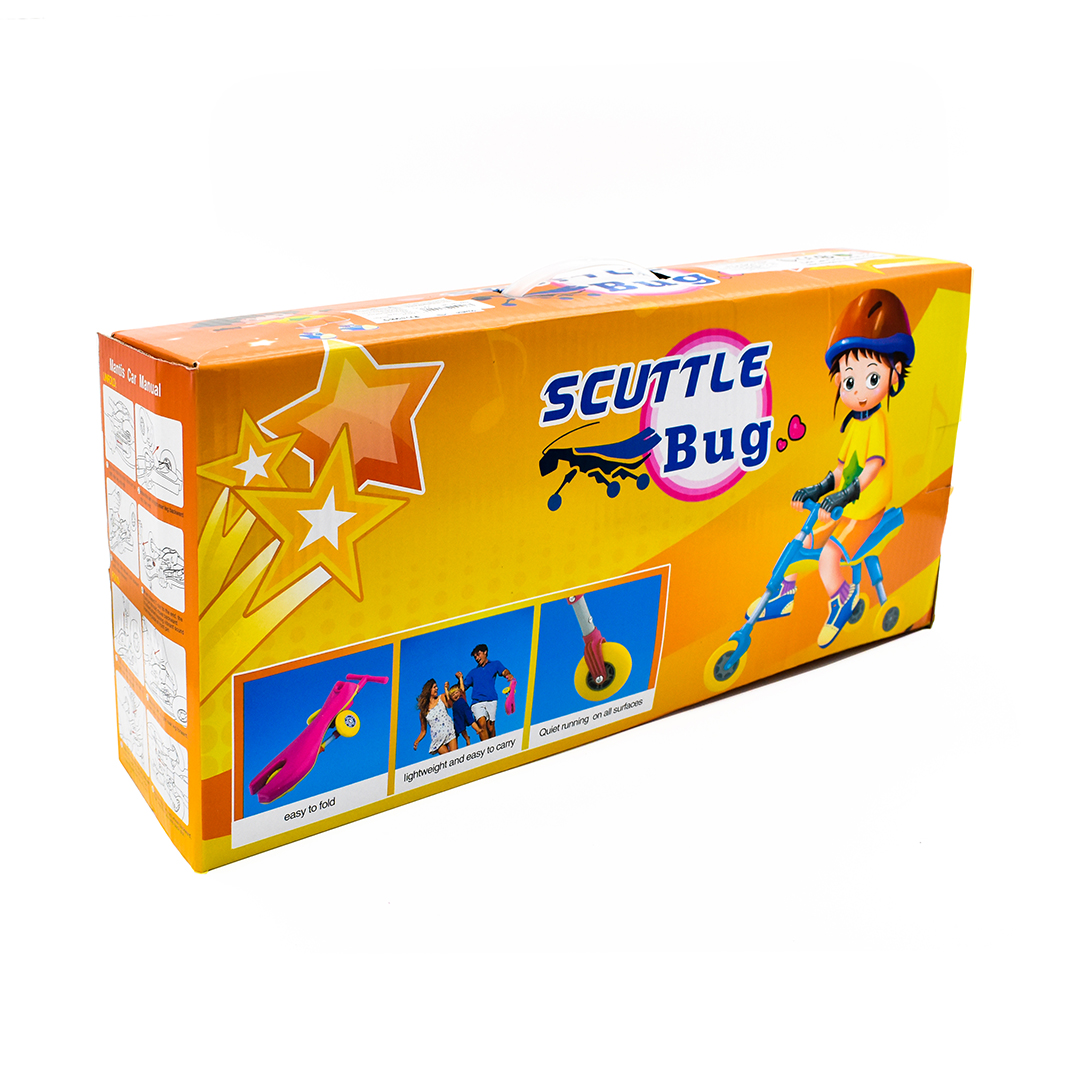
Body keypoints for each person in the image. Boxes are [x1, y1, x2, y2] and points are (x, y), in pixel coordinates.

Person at [779, 289, 914, 647]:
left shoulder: (877, 423)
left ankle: (842, 600)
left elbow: (870, 470)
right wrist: (819, 489)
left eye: (872, 379)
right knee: (799, 543)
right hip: (846, 507)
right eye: (850, 381)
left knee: (828, 557)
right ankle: (782, 596)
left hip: (867, 511)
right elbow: (842, 468)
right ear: (840, 381)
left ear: (894, 375)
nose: (858, 393)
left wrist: (846, 495)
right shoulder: (855, 424)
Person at [458, 644, 511, 741]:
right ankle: (486, 747)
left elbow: (504, 671)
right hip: (477, 702)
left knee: (490, 727)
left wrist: (509, 675)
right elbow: (462, 689)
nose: (477, 658)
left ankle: (494, 745)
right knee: (482, 723)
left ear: (485, 652)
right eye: (475, 657)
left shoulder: (495, 664)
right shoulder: (473, 672)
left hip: (491, 699)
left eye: (478, 655)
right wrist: (460, 678)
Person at [413, 679, 458, 755]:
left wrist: (446, 690)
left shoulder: (441, 697)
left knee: (455, 756)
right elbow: (423, 731)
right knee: (448, 758)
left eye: (436, 687)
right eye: (434, 687)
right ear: (429, 690)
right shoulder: (423, 712)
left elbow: (450, 705)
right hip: (437, 739)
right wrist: (417, 741)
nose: (437, 688)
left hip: (449, 732)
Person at [447, 682, 472, 747]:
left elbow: (462, 689)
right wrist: (446, 689)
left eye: (456, 693)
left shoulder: (462, 697)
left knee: (472, 721)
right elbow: (448, 698)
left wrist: (460, 678)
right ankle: (467, 739)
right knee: (461, 729)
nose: (455, 695)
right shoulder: (453, 704)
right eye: (453, 694)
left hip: (465, 713)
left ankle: (478, 730)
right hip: (458, 718)